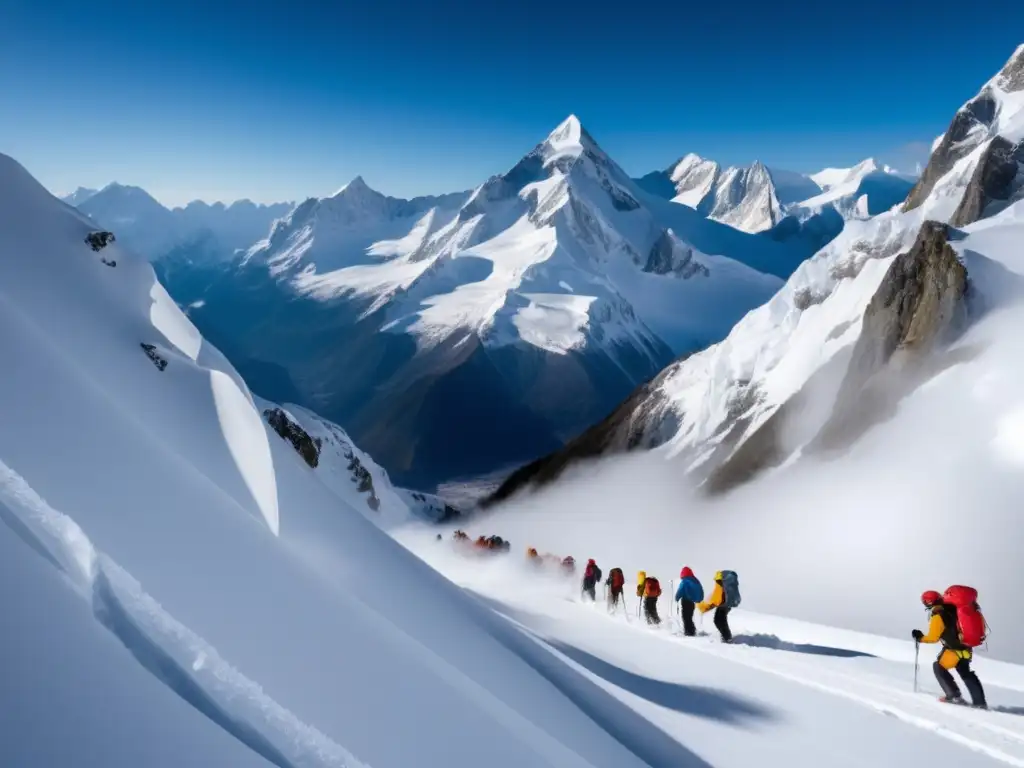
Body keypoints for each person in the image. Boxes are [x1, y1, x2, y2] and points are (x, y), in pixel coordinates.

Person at [913, 590, 987, 708]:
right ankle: (980, 702)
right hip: (966, 649)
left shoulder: (938, 616)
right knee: (966, 673)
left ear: (928, 602)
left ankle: (953, 696)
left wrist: (920, 638)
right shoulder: (954, 610)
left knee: (939, 667)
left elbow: (933, 638)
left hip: (953, 650)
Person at [698, 571, 733, 643]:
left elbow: (716, 598)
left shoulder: (719, 584)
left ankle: (727, 637)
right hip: (727, 605)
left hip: (723, 605)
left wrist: (705, 607)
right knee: (721, 620)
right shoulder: (726, 584)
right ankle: (727, 636)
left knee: (718, 620)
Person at [674, 566, 703, 637]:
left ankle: (689, 632)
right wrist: (699, 599)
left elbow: (680, 590)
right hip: (692, 602)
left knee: (686, 617)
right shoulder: (695, 580)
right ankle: (691, 630)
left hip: (686, 601)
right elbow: (700, 590)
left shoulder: (685, 581)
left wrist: (677, 597)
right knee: (689, 617)